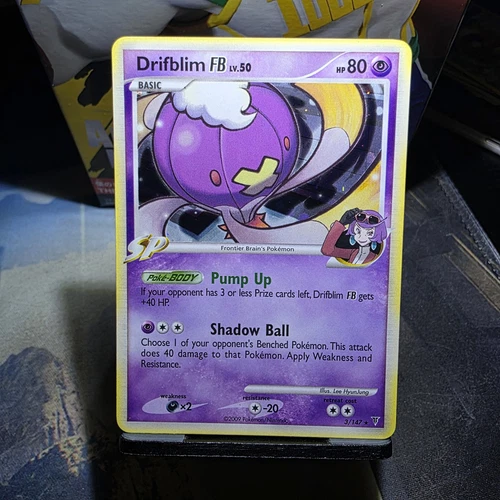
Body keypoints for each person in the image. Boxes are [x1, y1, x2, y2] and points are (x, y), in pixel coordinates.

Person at [321, 208, 388, 265]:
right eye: (358, 231)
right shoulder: (353, 252)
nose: (361, 237)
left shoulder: (376, 258)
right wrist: (341, 223)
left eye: (370, 233)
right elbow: (327, 251)